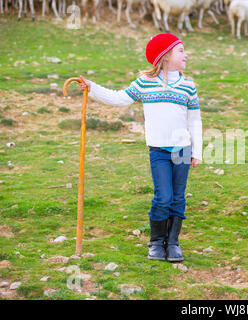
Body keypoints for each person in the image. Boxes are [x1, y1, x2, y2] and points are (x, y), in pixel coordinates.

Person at [77, 33, 202, 262]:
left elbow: (194, 120)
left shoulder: (188, 86)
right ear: (165, 56)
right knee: (163, 197)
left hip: (182, 150)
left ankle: (172, 242)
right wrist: (92, 88)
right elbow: (119, 98)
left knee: (178, 197)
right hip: (159, 151)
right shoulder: (145, 83)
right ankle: (156, 242)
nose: (186, 55)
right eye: (181, 51)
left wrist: (197, 151)